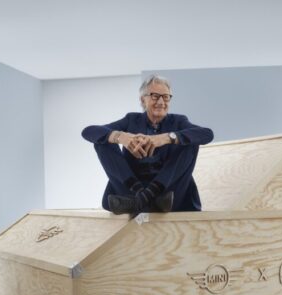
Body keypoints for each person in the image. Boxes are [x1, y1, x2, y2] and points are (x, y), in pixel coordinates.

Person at [82, 74, 214, 215]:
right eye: (155, 96)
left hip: (169, 196)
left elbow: (207, 134)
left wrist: (167, 137)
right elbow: (88, 131)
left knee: (190, 141)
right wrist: (120, 136)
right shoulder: (131, 120)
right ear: (142, 100)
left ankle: (141, 201)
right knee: (102, 141)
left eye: (166, 97)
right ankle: (143, 197)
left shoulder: (178, 121)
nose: (161, 102)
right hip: (130, 192)